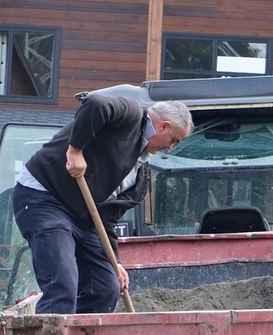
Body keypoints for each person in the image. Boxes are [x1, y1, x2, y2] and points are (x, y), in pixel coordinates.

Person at [13, 94, 191, 313]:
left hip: (83, 217)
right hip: (45, 197)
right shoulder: (131, 114)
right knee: (63, 284)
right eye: (174, 140)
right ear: (164, 126)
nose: (171, 147)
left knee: (106, 287)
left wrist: (114, 262)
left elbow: (106, 218)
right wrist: (75, 151)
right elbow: (96, 104)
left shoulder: (139, 172)